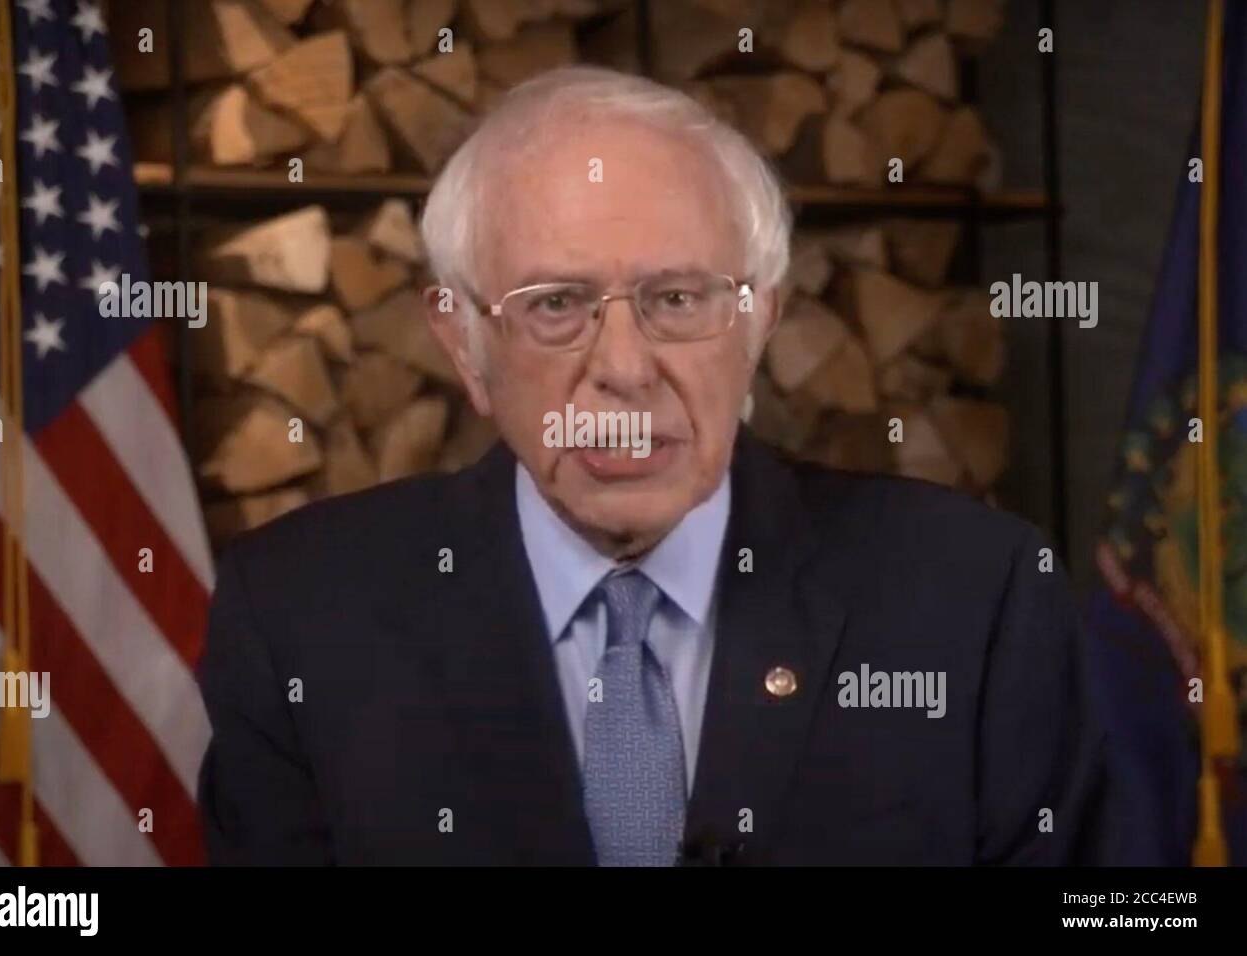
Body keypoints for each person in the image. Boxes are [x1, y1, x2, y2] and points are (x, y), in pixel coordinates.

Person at [198, 66, 1126, 865]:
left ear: (760, 318)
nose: (625, 367)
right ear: (462, 343)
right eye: (556, 304)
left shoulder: (975, 597)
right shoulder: (299, 620)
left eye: (678, 297)